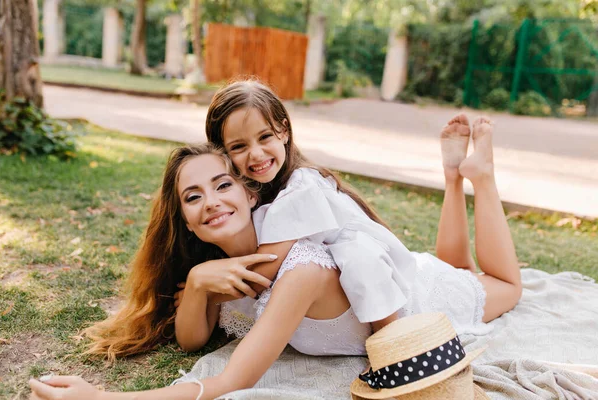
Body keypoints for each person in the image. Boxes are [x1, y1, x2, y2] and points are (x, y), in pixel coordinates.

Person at [29, 113, 522, 399]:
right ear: (182, 217)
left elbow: (230, 380)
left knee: (500, 283)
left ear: (249, 193)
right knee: (455, 262)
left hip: (421, 301)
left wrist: (103, 398)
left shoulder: (302, 266)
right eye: (193, 196)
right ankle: (454, 177)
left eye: (222, 184)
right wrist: (199, 282)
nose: (212, 202)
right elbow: (192, 342)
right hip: (394, 275)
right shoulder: (224, 270)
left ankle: (478, 176)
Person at [204, 80, 521, 330]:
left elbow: (259, 273)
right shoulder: (256, 193)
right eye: (239, 146)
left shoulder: (301, 188)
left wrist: (203, 287)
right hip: (404, 276)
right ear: (221, 153)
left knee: (508, 286)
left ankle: (482, 176)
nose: (256, 154)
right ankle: (453, 178)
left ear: (284, 131)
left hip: (405, 303)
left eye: (264, 137)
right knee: (459, 270)